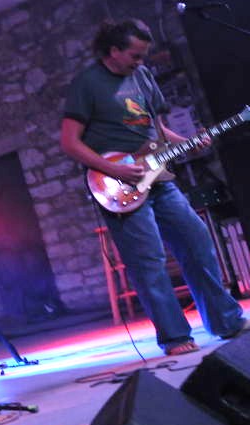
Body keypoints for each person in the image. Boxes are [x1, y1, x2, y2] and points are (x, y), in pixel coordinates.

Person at [61, 18, 246, 355]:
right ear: (113, 51)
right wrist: (113, 167)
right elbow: (70, 142)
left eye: (143, 55)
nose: (141, 61)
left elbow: (157, 131)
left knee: (196, 240)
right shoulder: (87, 84)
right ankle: (175, 338)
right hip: (118, 181)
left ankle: (226, 320)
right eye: (135, 55)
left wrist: (188, 143)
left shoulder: (143, 76)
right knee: (148, 261)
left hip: (158, 177)